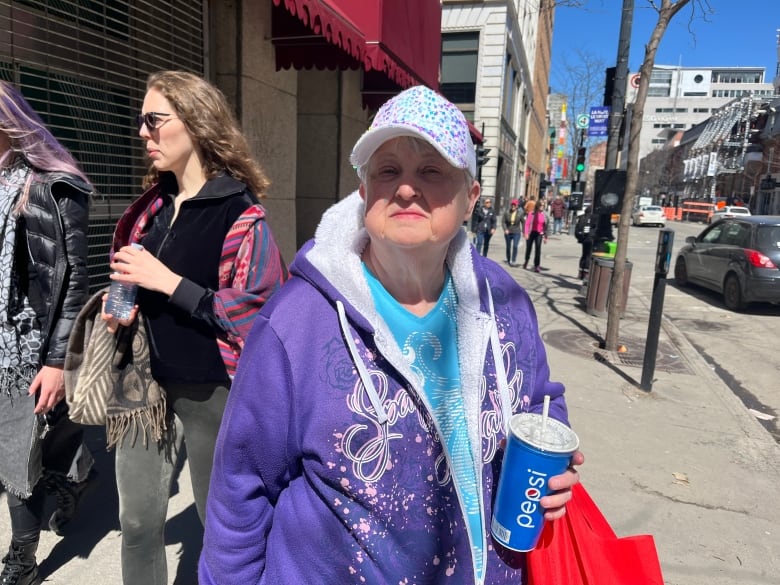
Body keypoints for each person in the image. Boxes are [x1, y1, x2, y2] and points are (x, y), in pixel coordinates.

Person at [199, 85, 583, 584]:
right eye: (387, 171)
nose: (405, 189)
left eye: (431, 170)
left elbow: (540, 402)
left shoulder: (504, 300)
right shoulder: (294, 322)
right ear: (364, 193)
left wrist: (554, 468)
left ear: (470, 198)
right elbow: (238, 491)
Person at [101, 71, 287, 585]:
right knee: (137, 523)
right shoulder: (149, 211)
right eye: (141, 121)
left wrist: (168, 282)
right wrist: (121, 305)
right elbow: (128, 276)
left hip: (214, 393)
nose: (143, 132)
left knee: (222, 527)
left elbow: (259, 313)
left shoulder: (241, 216)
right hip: (143, 390)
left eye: (154, 120)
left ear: (197, 123)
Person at [0, 81, 96, 585]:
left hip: (25, 344)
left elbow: (72, 281)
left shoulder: (53, 186)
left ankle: (21, 559)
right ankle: (77, 475)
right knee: (30, 438)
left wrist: (57, 361)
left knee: (15, 450)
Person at [523, 199, 549, 272]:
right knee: (529, 248)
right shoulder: (532, 213)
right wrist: (526, 233)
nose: (542, 207)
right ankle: (526, 260)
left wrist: (545, 237)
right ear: (537, 205)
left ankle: (537, 265)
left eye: (543, 205)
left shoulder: (544, 215)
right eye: (540, 205)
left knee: (538, 249)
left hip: (539, 233)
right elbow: (527, 224)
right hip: (531, 233)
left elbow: (546, 226)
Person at [575, 207, 595, 280]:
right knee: (588, 256)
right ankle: (586, 273)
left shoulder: (582, 217)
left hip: (583, 239)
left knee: (583, 255)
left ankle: (580, 273)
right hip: (590, 238)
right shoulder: (593, 217)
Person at [502, 198, 523, 266]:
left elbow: (524, 222)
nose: (513, 206)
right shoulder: (507, 212)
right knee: (508, 247)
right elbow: (503, 222)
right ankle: (508, 259)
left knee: (515, 246)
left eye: (515, 205)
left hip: (516, 232)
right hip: (508, 232)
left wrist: (525, 231)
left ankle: (513, 260)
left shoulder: (520, 213)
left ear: (517, 206)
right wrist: (505, 229)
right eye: (512, 205)